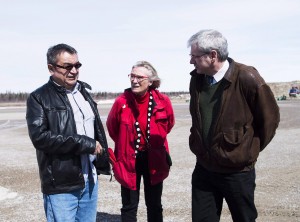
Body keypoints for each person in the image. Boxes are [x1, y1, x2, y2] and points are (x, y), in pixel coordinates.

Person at [187, 29, 280, 222]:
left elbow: (269, 120)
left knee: (244, 219)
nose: (191, 61)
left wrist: (244, 150)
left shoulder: (247, 77)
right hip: (204, 167)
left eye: (194, 56)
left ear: (213, 55)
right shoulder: (196, 79)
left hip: (236, 171)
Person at [26, 43, 111, 222]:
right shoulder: (38, 98)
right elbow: (40, 138)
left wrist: (103, 159)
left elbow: (96, 131)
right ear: (51, 68)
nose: (74, 71)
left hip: (90, 180)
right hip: (61, 185)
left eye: (77, 65)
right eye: (67, 66)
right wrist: (84, 143)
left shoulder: (84, 93)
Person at [106, 61, 175, 222]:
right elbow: (112, 128)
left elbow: (168, 125)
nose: (134, 80)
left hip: (155, 158)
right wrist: (127, 144)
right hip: (129, 159)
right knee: (129, 204)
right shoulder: (121, 102)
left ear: (151, 81)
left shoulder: (163, 101)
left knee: (154, 204)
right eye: (132, 76)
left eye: (139, 77)